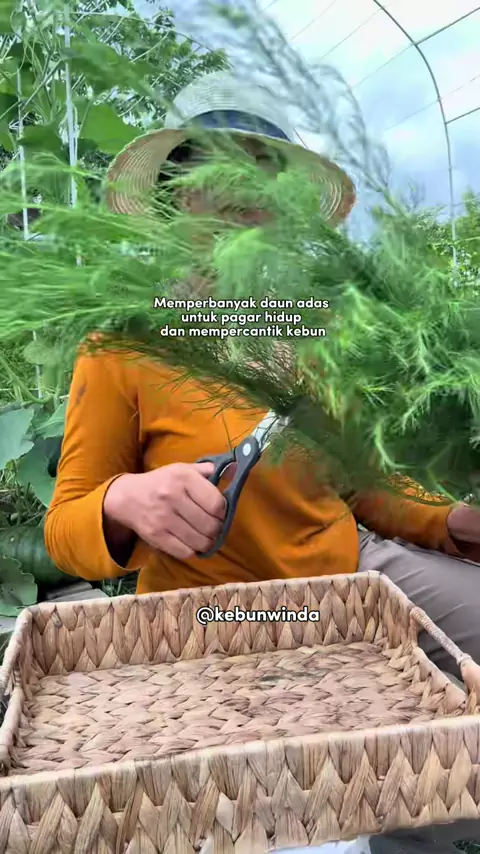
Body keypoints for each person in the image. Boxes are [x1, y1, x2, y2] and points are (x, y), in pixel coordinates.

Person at [44, 72, 480, 854]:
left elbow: (365, 488)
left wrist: (450, 519)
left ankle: (425, 822)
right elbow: (65, 525)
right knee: (303, 789)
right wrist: (122, 502)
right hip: (217, 606)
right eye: (221, 181)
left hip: (350, 565)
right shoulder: (123, 346)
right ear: (179, 203)